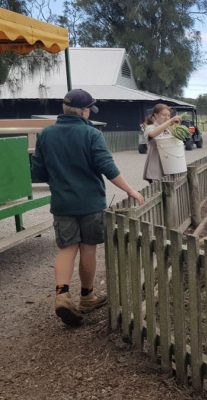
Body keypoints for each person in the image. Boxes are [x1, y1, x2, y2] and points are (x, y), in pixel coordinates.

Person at [31, 88, 145, 327]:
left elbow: (38, 172)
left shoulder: (46, 135)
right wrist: (130, 190)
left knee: (66, 248)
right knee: (88, 248)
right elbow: (108, 167)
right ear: (83, 111)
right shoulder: (91, 134)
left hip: (62, 203)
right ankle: (87, 296)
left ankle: (62, 294)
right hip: (90, 202)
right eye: (89, 110)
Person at [142, 104, 183, 182]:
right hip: (156, 169)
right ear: (156, 115)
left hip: (170, 167)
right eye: (164, 115)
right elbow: (152, 134)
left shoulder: (169, 129)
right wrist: (170, 121)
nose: (167, 117)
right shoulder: (150, 127)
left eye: (168, 115)